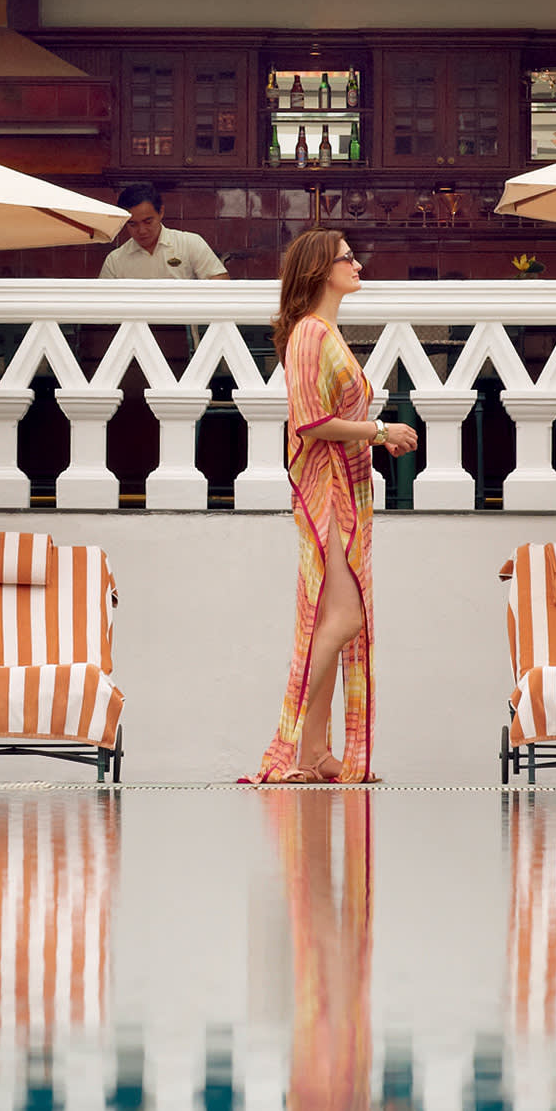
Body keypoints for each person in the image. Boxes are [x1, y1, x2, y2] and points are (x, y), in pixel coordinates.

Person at [253, 226, 417, 785]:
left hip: (346, 487)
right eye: (348, 258)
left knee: (334, 619)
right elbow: (309, 421)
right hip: (326, 490)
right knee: (343, 617)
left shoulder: (326, 333)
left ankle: (316, 750)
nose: (358, 265)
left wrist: (377, 436)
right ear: (322, 268)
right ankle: (292, 747)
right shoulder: (310, 335)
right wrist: (379, 429)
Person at [97, 184, 227, 280]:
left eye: (148, 221)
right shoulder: (115, 261)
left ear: (161, 213)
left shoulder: (190, 243)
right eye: (132, 224)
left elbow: (220, 281)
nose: (142, 231)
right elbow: (103, 303)